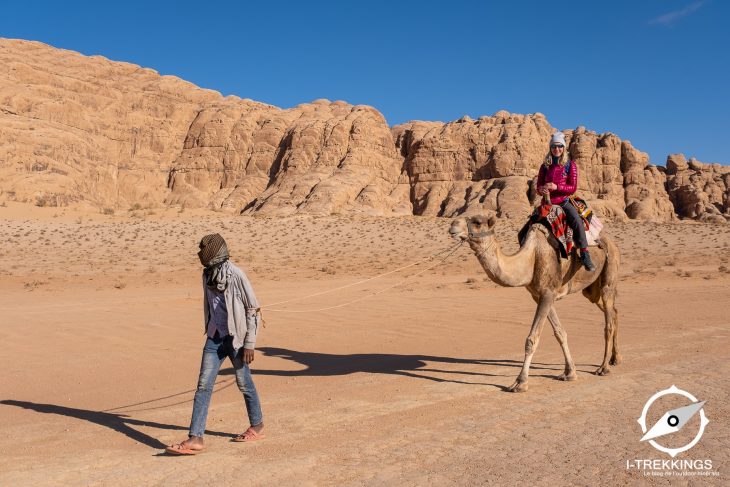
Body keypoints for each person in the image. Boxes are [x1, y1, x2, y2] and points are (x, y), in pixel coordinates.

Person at [165, 233, 264, 455]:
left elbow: (253, 309)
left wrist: (249, 343)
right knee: (203, 385)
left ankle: (257, 425)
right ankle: (195, 438)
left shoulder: (236, 275)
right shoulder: (207, 275)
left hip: (236, 339)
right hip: (214, 337)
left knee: (244, 383)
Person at [536, 133, 595, 271]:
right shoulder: (545, 166)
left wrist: (557, 187)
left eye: (559, 146)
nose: (557, 149)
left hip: (563, 201)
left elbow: (572, 188)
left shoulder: (570, 165)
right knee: (530, 225)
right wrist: (542, 190)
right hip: (548, 203)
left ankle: (585, 253)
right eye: (554, 146)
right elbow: (538, 187)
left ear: (564, 147)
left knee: (576, 220)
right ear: (550, 148)